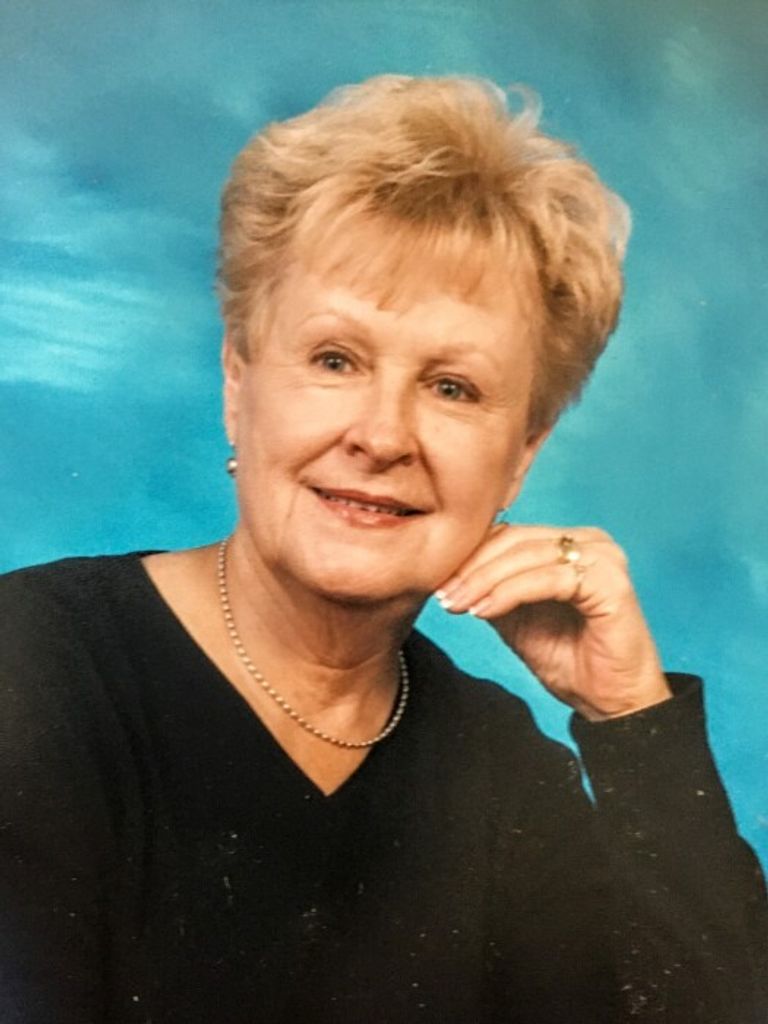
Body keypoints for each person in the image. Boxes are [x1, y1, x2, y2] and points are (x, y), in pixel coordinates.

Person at [0, 74, 765, 1024]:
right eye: (336, 360)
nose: (382, 435)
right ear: (238, 381)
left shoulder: (505, 777)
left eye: (452, 388)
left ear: (522, 455)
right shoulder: (32, 666)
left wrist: (630, 716)